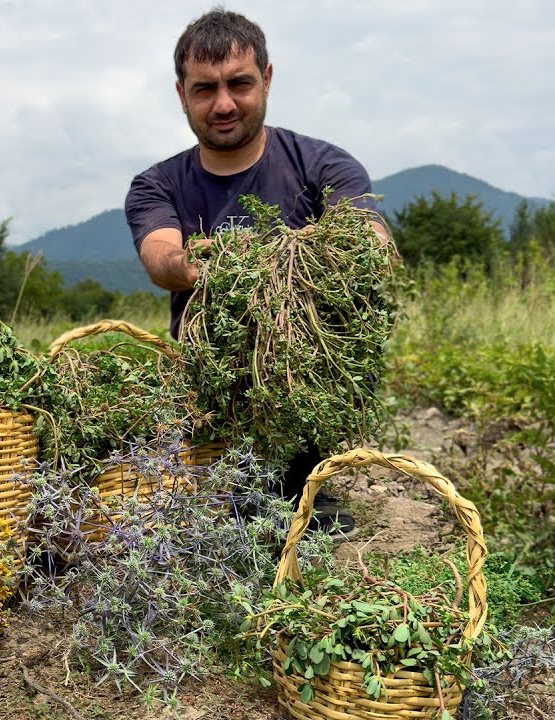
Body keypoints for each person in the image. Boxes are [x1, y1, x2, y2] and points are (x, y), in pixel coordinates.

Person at [124, 8, 391, 539]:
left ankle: (303, 484)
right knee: (220, 511)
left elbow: (370, 239)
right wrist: (197, 265)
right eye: (205, 89)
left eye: (239, 84)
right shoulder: (158, 184)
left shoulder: (322, 165)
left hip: (305, 388)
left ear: (266, 79)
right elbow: (161, 258)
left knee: (300, 511)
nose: (223, 104)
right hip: (214, 394)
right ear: (182, 94)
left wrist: (285, 260)